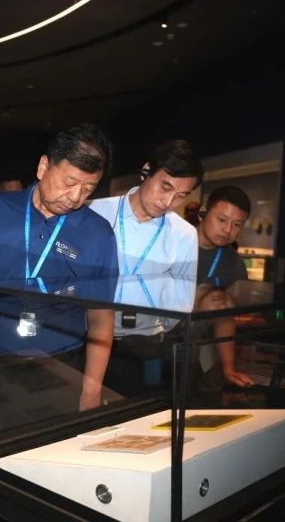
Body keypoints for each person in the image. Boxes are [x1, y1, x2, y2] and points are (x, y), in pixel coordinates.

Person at [0, 123, 119, 417]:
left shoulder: (97, 233)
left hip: (62, 370)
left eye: (88, 188)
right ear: (43, 167)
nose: (76, 197)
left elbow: (101, 318)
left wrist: (91, 390)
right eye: (69, 182)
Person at [88, 139, 201, 395]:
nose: (168, 201)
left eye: (181, 195)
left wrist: (153, 325)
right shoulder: (96, 211)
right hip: (89, 336)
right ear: (146, 171)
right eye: (165, 187)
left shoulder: (184, 233)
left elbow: (182, 302)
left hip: (145, 344)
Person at [195, 186, 253, 388]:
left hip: (189, 353)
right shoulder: (173, 243)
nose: (228, 230)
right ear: (203, 212)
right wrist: (196, 301)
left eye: (236, 225)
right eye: (222, 220)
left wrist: (229, 368)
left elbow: (225, 318)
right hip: (143, 347)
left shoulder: (234, 264)